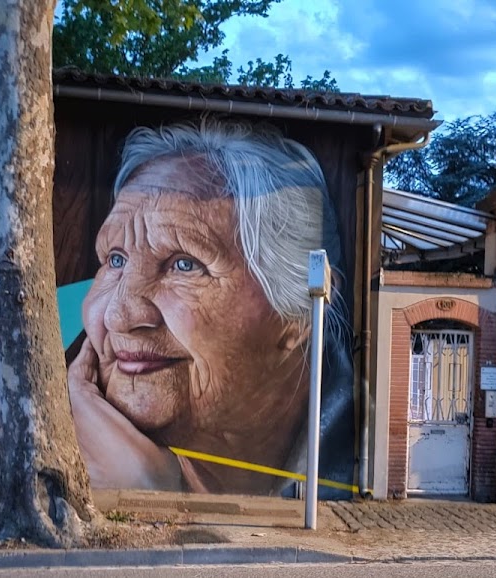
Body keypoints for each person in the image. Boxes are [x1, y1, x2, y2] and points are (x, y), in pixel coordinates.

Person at [66, 117, 351, 495]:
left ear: (298, 317)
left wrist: (150, 494)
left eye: (185, 264)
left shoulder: (354, 459)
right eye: (115, 260)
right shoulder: (18, 470)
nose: (119, 315)